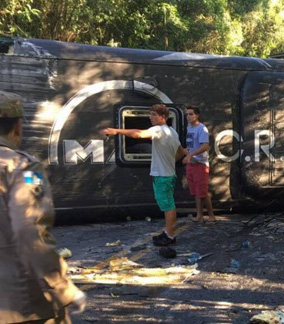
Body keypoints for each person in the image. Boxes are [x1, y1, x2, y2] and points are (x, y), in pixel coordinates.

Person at [0, 91, 86, 323]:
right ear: (17, 127)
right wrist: (63, 288)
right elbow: (29, 229)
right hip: (20, 304)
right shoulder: (22, 168)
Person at [102, 104, 183, 246]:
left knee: (168, 206)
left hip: (163, 176)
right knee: (168, 205)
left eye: (153, 115)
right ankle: (167, 231)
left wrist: (116, 131)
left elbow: (138, 134)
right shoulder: (173, 132)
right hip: (168, 173)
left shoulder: (158, 130)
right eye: (150, 114)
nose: (150, 117)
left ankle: (170, 236)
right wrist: (169, 161)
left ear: (162, 117)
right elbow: (181, 152)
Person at [182, 106, 215, 223]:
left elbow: (205, 146)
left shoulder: (202, 129)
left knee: (203, 191)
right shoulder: (189, 127)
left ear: (197, 115)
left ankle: (211, 216)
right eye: (187, 114)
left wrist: (191, 155)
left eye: (191, 114)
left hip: (200, 163)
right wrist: (186, 153)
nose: (188, 116)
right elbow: (191, 146)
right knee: (196, 191)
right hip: (191, 163)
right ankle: (199, 214)